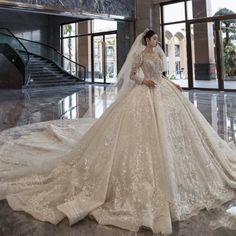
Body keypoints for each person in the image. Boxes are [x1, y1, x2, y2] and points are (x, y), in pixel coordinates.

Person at [0, 28, 236, 235]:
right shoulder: (140, 55)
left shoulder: (160, 54)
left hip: (163, 90)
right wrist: (144, 82)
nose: (156, 42)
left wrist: (171, 83)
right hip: (144, 92)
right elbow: (132, 75)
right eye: (153, 39)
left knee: (176, 129)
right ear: (146, 41)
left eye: (156, 40)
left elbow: (163, 73)